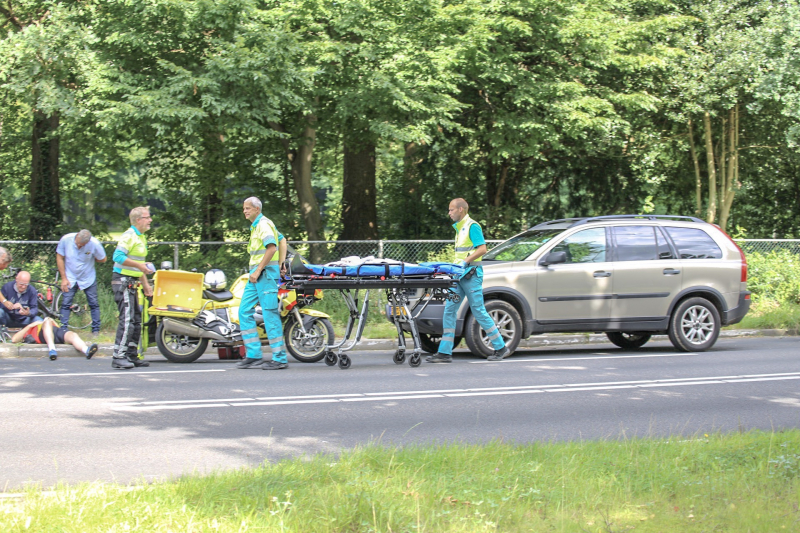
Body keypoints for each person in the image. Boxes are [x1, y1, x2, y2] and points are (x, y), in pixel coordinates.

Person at [427, 198, 511, 363]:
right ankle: (444, 352)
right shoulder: (460, 228)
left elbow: (482, 249)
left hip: (471, 275)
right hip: (459, 275)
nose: (449, 213)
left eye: (451, 210)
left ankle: (501, 347)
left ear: (460, 209)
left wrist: (465, 261)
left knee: (478, 310)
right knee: (450, 310)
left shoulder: (472, 226)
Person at [237, 197, 289, 370]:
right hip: (256, 276)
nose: (245, 211)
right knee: (244, 311)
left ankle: (280, 358)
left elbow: (272, 247)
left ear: (257, 209)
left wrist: (259, 269)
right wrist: (281, 263)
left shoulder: (263, 225)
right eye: (244, 208)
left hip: (265, 275)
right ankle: (253, 355)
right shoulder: (258, 225)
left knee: (269, 315)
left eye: (248, 208)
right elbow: (282, 239)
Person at [110, 206, 155, 369]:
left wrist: (145, 284)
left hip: (133, 282)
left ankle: (131, 354)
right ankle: (118, 356)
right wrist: (140, 266)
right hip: (123, 281)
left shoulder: (140, 237)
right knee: (127, 319)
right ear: (138, 220)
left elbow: (139, 267)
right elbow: (118, 257)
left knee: (136, 319)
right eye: (147, 217)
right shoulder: (129, 235)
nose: (150, 220)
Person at [56, 229, 107, 335]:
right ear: (77, 236)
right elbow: (59, 257)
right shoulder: (66, 239)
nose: (79, 246)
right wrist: (64, 278)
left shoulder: (94, 244)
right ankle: (63, 330)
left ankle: (95, 330)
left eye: (82, 245)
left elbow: (103, 259)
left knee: (93, 304)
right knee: (66, 303)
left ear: (88, 242)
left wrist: (93, 258)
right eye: (78, 243)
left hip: (88, 277)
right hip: (70, 277)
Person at [11, 317, 98, 361]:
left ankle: (86, 350)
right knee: (47, 321)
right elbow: (14, 339)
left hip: (56, 332)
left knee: (72, 335)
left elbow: (56, 326)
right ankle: (52, 349)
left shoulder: (45, 323)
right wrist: (30, 325)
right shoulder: (30, 329)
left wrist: (50, 320)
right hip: (43, 335)